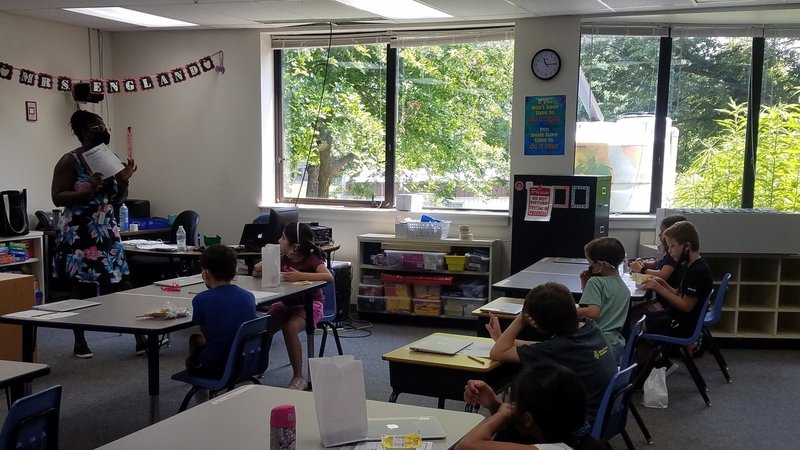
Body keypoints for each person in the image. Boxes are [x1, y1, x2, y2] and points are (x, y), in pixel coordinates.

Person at [51, 109, 140, 358]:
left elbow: (118, 199)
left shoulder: (110, 158)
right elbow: (57, 196)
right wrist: (88, 190)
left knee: (123, 283)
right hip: (80, 232)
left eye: (103, 125)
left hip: (107, 229)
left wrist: (124, 181)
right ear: (81, 133)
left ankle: (141, 338)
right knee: (83, 286)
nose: (102, 129)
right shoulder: (70, 160)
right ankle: (79, 341)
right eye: (95, 126)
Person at [487, 282, 617, 423]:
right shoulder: (590, 328)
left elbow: (497, 353)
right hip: (605, 416)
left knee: (522, 414)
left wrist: (520, 319)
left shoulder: (558, 348)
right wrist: (503, 339)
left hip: (581, 423)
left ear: (539, 325)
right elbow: (544, 347)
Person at [252, 221, 333, 390]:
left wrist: (300, 275)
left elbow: (328, 277)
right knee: (262, 328)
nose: (279, 240)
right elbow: (257, 276)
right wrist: (258, 269)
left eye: (283, 237)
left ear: (294, 245)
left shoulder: (312, 259)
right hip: (286, 304)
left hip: (311, 305)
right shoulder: (281, 259)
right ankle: (254, 368)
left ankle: (299, 377)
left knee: (290, 328)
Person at [458, 363, 607, 450]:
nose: (511, 408)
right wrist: (494, 404)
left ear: (527, 418)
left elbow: (467, 446)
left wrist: (501, 414)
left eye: (514, 405)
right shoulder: (577, 438)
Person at [633, 220, 713, 371]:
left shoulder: (697, 272)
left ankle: (655, 366)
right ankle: (651, 364)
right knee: (635, 314)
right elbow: (680, 294)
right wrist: (662, 283)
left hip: (682, 325)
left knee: (634, 323)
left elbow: (686, 306)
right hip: (677, 318)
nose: (669, 251)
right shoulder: (688, 266)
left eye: (672, 246)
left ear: (687, 246)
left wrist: (659, 288)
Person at [187, 245, 257, 377]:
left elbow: (207, 333)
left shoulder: (201, 299)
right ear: (235, 271)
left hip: (217, 365)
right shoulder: (249, 296)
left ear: (205, 274)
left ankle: (202, 391)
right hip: (248, 360)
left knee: (195, 339)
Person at [578, 237, 630, 361]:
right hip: (616, 346)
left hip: (597, 345)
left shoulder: (596, 282)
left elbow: (592, 312)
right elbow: (603, 306)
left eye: (590, 263)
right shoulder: (624, 287)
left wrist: (569, 311)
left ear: (600, 265)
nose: (589, 266)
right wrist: (585, 284)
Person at [629, 214, 688, 286]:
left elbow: (662, 275)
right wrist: (645, 263)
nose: (659, 235)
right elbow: (660, 264)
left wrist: (641, 269)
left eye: (662, 232)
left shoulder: (674, 255)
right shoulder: (669, 253)